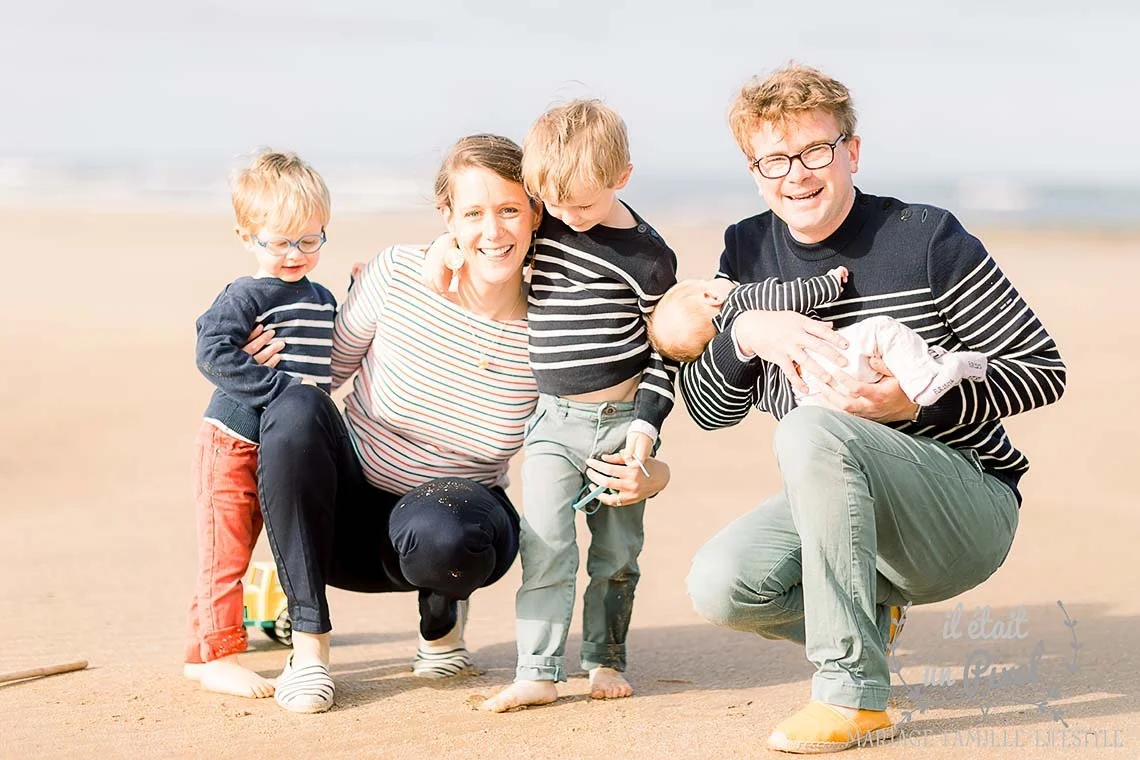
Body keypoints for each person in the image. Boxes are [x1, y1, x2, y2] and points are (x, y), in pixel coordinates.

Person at [680, 64, 1066, 753]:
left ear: (852, 152)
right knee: (721, 585)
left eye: (815, 151)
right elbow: (709, 411)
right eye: (774, 160)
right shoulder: (746, 248)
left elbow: (1044, 372)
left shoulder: (926, 237)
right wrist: (745, 331)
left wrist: (910, 407)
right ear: (754, 170)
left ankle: (852, 695)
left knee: (811, 428)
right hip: (844, 507)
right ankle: (871, 622)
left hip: (964, 502)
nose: (796, 174)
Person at [247, 133, 671, 714]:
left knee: (448, 534)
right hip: (344, 522)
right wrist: (259, 351)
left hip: (454, 524)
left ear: (536, 214)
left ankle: (442, 619)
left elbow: (610, 411)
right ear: (447, 218)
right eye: (473, 213)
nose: (492, 232)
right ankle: (311, 649)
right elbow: (322, 376)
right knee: (293, 407)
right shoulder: (397, 273)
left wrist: (654, 470)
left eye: (508, 210)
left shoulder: (556, 324)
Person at [423, 100, 678, 711]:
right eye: (552, 204)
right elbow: (490, 236)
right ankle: (537, 668)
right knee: (546, 546)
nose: (565, 216)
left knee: (616, 555)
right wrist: (443, 246)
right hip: (552, 425)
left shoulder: (648, 258)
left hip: (622, 428)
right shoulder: (548, 226)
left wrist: (647, 425)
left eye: (581, 204)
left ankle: (604, 659)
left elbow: (665, 354)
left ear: (623, 176)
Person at [183, 150, 335, 700]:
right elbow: (212, 351)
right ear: (248, 236)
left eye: (310, 240)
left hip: (278, 449)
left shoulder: (321, 299)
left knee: (245, 551)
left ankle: (201, 653)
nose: (295, 254)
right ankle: (215, 655)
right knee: (224, 554)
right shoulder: (245, 295)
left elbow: (332, 364)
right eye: (280, 242)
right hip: (232, 439)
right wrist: (279, 392)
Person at [649, 266, 987, 406]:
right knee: (884, 331)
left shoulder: (735, 360)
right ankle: (925, 384)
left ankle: (939, 365)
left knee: (895, 353)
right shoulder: (741, 300)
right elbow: (789, 297)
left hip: (809, 399)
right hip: (829, 358)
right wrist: (828, 282)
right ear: (711, 297)